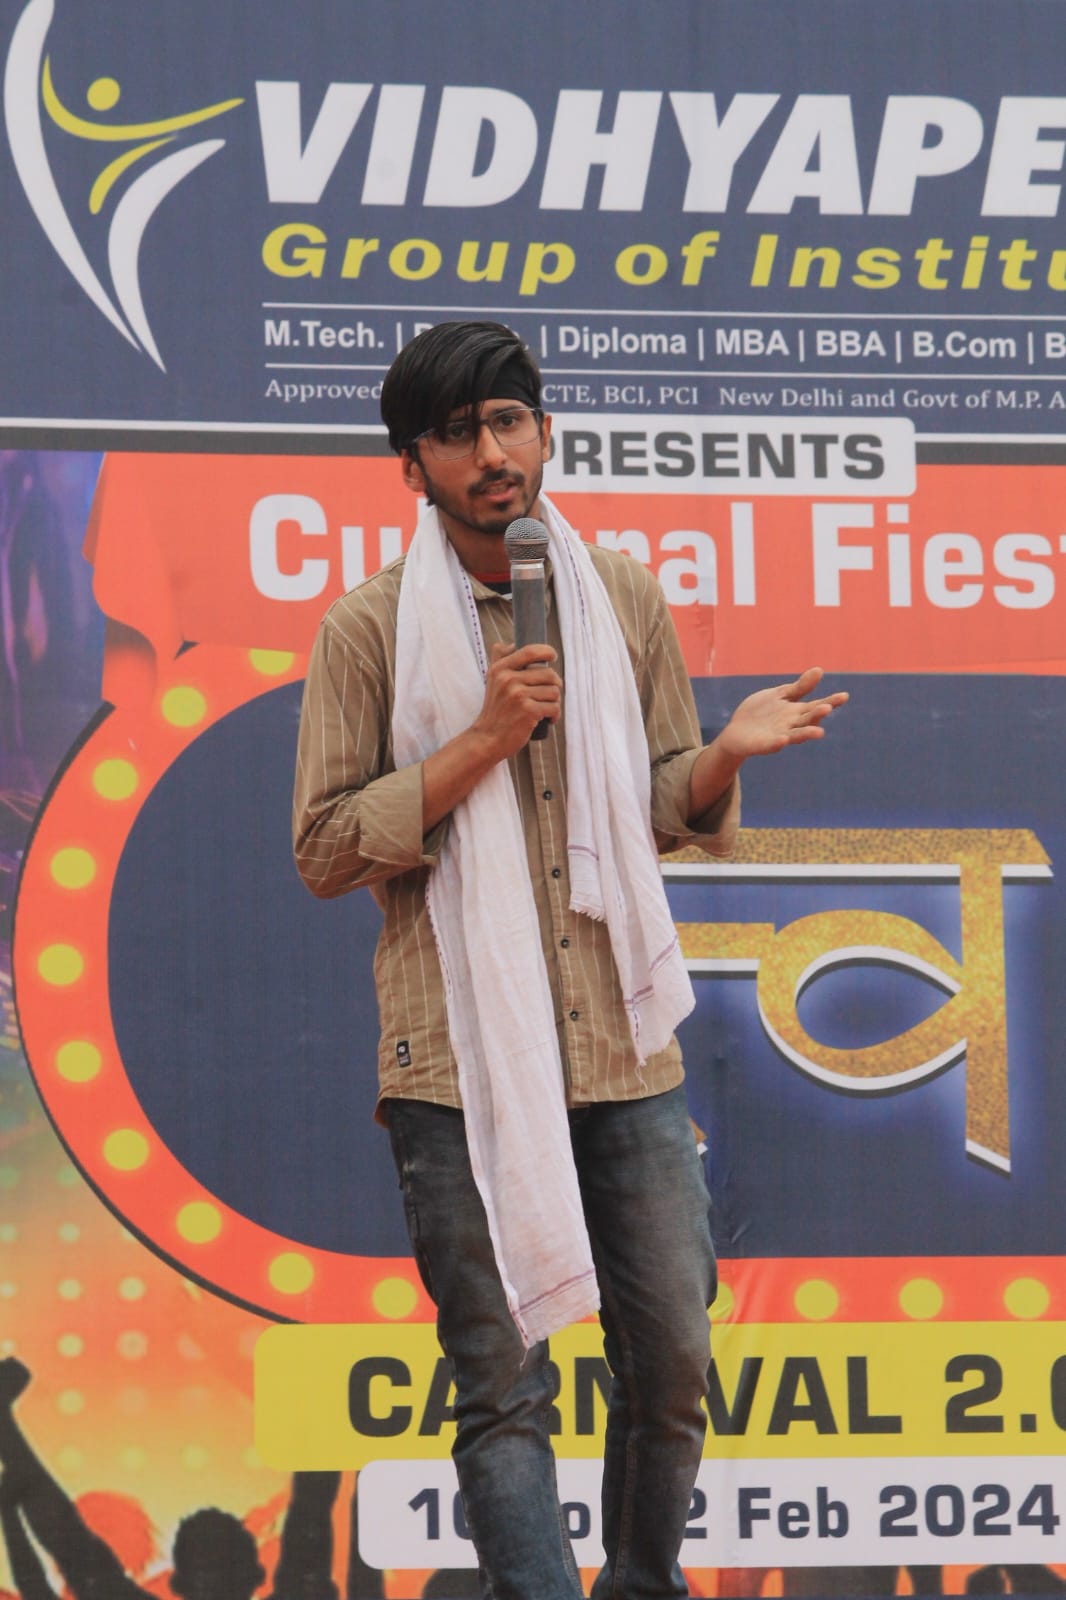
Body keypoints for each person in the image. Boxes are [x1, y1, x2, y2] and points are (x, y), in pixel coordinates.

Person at [292, 320, 847, 1600]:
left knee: (674, 1361)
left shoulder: (618, 595)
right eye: (457, 434)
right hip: (457, 1061)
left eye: (509, 422)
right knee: (500, 1383)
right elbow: (322, 847)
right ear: (412, 467)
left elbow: (651, 804)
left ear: (545, 434)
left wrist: (721, 756)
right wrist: (480, 740)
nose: (492, 454)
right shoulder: (368, 630)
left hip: (618, 1042)